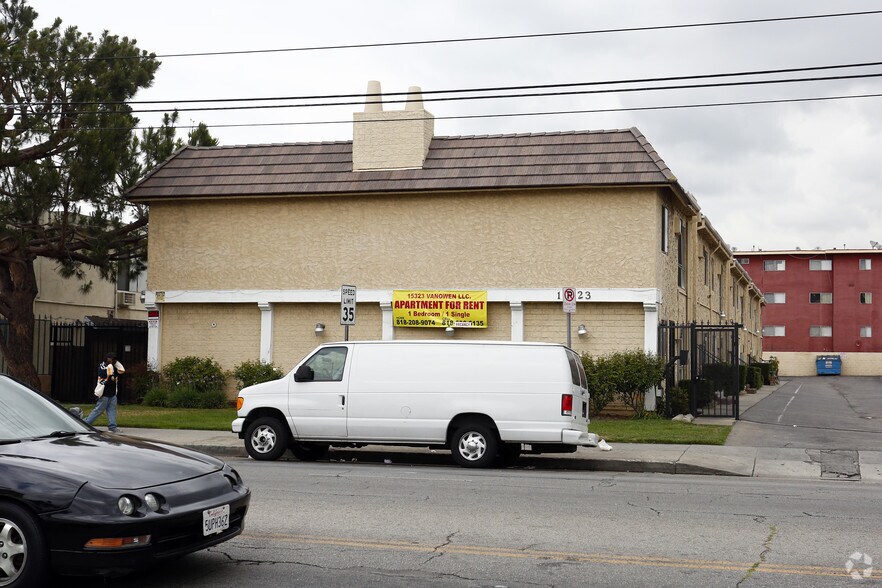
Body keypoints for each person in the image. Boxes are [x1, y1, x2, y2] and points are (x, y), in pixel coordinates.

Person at [84, 352, 126, 432]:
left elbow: (122, 370)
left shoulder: (114, 367)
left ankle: (112, 427)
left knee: (112, 410)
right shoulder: (102, 366)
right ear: (107, 359)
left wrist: (116, 363)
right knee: (98, 410)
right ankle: (85, 424)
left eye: (115, 359)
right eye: (112, 359)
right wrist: (109, 366)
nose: (114, 360)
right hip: (104, 394)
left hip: (112, 394)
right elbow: (104, 375)